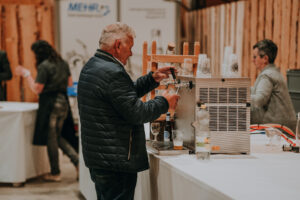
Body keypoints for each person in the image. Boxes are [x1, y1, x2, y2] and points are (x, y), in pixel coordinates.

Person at [77, 22, 180, 200]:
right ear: (118, 45)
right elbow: (137, 112)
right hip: (115, 162)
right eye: (130, 47)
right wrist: (164, 102)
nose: (132, 53)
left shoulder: (94, 65)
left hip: (102, 159)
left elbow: (121, 95)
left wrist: (151, 79)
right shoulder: (113, 72)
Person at [15, 40, 79, 182]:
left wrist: (27, 75)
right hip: (64, 103)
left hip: (50, 105)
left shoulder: (44, 66)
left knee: (52, 140)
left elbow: (37, 89)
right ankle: (77, 161)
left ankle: (55, 172)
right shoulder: (62, 62)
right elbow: (69, 83)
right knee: (56, 137)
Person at [251, 39, 296, 131]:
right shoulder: (273, 72)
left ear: (265, 59)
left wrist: (238, 96)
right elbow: (258, 90)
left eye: (255, 57)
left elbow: (259, 100)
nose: (253, 60)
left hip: (280, 131)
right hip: (284, 126)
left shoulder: (267, 75)